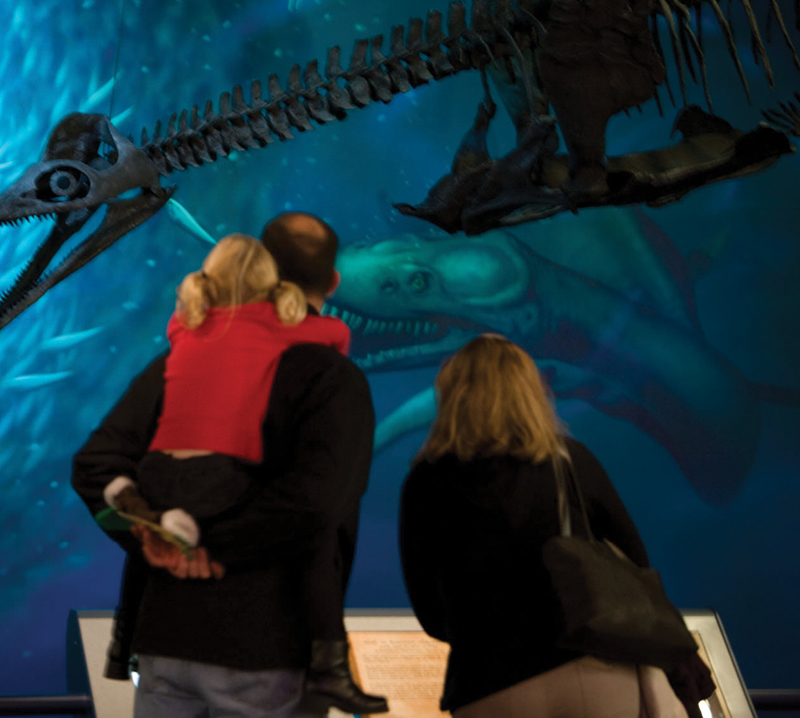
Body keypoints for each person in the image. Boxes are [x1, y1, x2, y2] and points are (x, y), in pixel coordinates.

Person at [73, 212, 383, 717]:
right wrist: (211, 549)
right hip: (265, 643)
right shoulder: (331, 375)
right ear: (332, 282)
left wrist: (160, 541)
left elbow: (95, 464)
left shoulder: (180, 359)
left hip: (163, 635)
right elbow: (314, 505)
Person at [399, 333, 712, 718]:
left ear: (451, 395)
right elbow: (635, 563)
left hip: (485, 682)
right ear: (532, 392)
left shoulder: (424, 481)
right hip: (591, 669)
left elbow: (430, 612)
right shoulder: (569, 461)